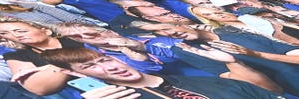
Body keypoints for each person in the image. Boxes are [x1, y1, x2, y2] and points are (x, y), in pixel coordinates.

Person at [42, 47, 282, 98]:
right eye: (90, 66)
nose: (110, 67)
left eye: (105, 59)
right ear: (72, 73)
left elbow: (272, 95)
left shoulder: (204, 81)